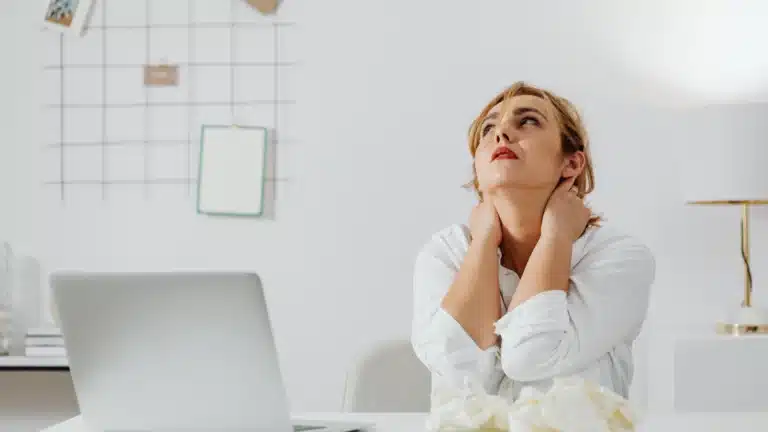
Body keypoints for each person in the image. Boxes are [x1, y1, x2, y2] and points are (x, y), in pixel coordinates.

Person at [410, 82, 655, 407]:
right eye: (488, 128)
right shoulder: (445, 253)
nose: (501, 134)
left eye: (527, 121)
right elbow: (459, 374)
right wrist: (483, 241)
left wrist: (556, 235)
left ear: (571, 164)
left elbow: (531, 356)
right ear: (477, 170)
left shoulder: (618, 258)